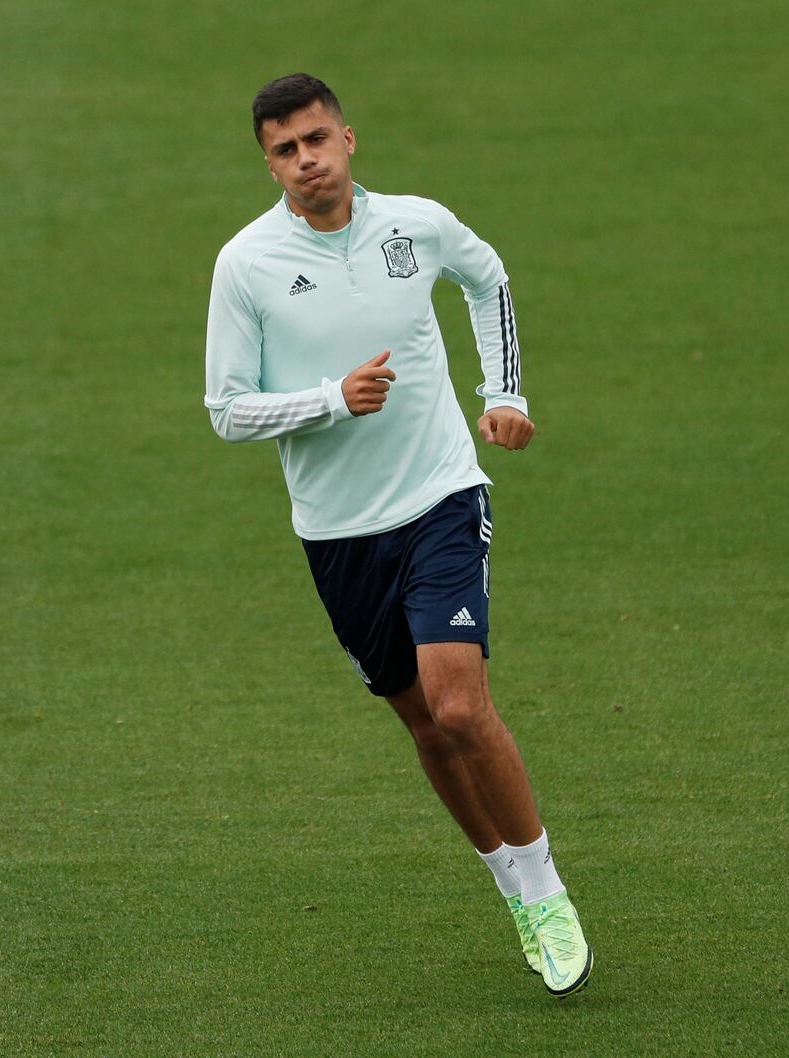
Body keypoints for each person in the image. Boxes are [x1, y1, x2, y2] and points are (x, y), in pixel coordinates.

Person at [204, 72, 593, 998]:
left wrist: (504, 394)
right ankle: (509, 885)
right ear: (269, 163)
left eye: (315, 140)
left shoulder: (414, 226)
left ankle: (546, 889)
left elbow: (486, 275)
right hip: (339, 533)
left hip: (441, 494)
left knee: (459, 704)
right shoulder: (245, 264)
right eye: (284, 150)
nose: (305, 161)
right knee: (421, 722)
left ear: (347, 138)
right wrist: (329, 401)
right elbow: (226, 409)